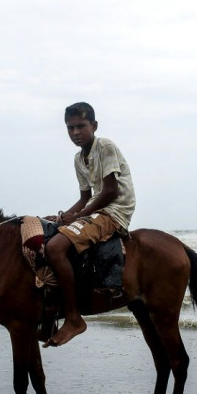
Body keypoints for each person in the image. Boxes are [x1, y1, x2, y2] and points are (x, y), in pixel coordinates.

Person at [44, 102, 136, 347]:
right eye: (70, 128)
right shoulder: (78, 158)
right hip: (96, 209)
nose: (75, 132)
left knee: (55, 248)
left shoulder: (104, 146)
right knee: (50, 229)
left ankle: (74, 318)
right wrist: (66, 215)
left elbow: (109, 191)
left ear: (94, 126)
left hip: (114, 211)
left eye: (81, 126)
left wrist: (79, 216)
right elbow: (86, 196)